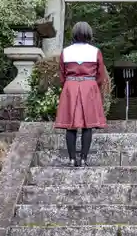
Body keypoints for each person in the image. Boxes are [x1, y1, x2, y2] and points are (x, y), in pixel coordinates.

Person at [54, 21, 107, 167]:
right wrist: (93, 85)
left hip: (70, 86)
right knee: (87, 125)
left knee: (70, 125)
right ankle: (83, 159)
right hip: (89, 86)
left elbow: (62, 75)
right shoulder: (95, 51)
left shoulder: (66, 51)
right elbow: (100, 75)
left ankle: (71, 159)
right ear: (89, 33)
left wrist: (69, 83)